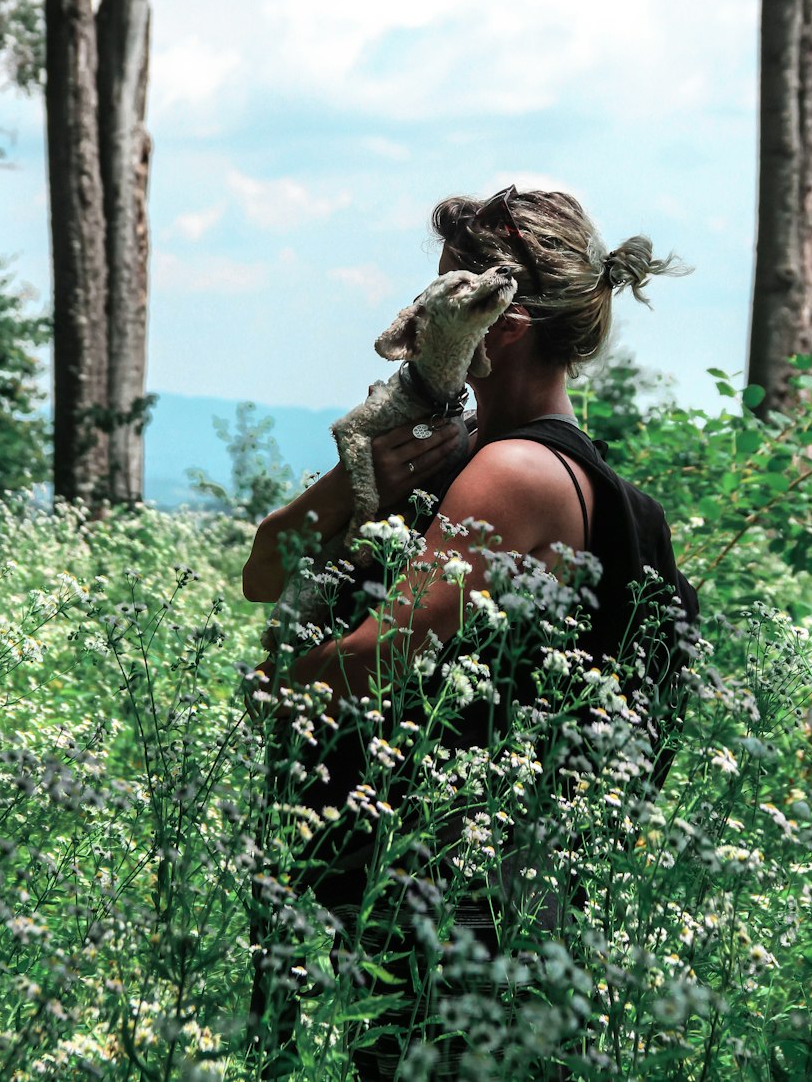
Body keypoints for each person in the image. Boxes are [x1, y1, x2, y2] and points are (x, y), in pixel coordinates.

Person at [242, 184, 698, 1079]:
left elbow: (380, 656)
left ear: (509, 321)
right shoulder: (477, 455)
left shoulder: (513, 473)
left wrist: (273, 688)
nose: (416, 322)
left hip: (455, 910)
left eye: (447, 293)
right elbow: (265, 569)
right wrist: (352, 482)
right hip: (501, 899)